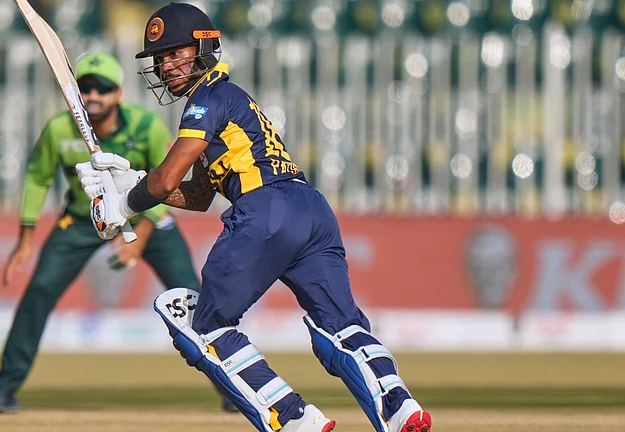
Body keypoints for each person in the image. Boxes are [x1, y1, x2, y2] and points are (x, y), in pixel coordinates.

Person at [75, 3, 433, 432]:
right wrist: (132, 178)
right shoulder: (227, 101)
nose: (166, 65)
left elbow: (166, 177)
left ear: (204, 48)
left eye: (176, 53)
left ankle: (295, 419)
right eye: (161, 58)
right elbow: (198, 195)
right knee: (339, 327)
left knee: (203, 328)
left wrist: (122, 204)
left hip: (266, 210)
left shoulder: (207, 97)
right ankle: (401, 409)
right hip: (310, 210)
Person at [0, 52, 236, 414]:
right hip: (83, 220)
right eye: (86, 88)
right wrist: (25, 239)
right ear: (76, 94)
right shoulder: (59, 129)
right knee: (38, 293)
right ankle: (3, 389)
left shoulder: (146, 126)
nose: (94, 95)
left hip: (147, 216)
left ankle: (232, 385)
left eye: (103, 88)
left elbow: (165, 185)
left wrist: (140, 239)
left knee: (192, 297)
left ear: (118, 94)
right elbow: (38, 178)